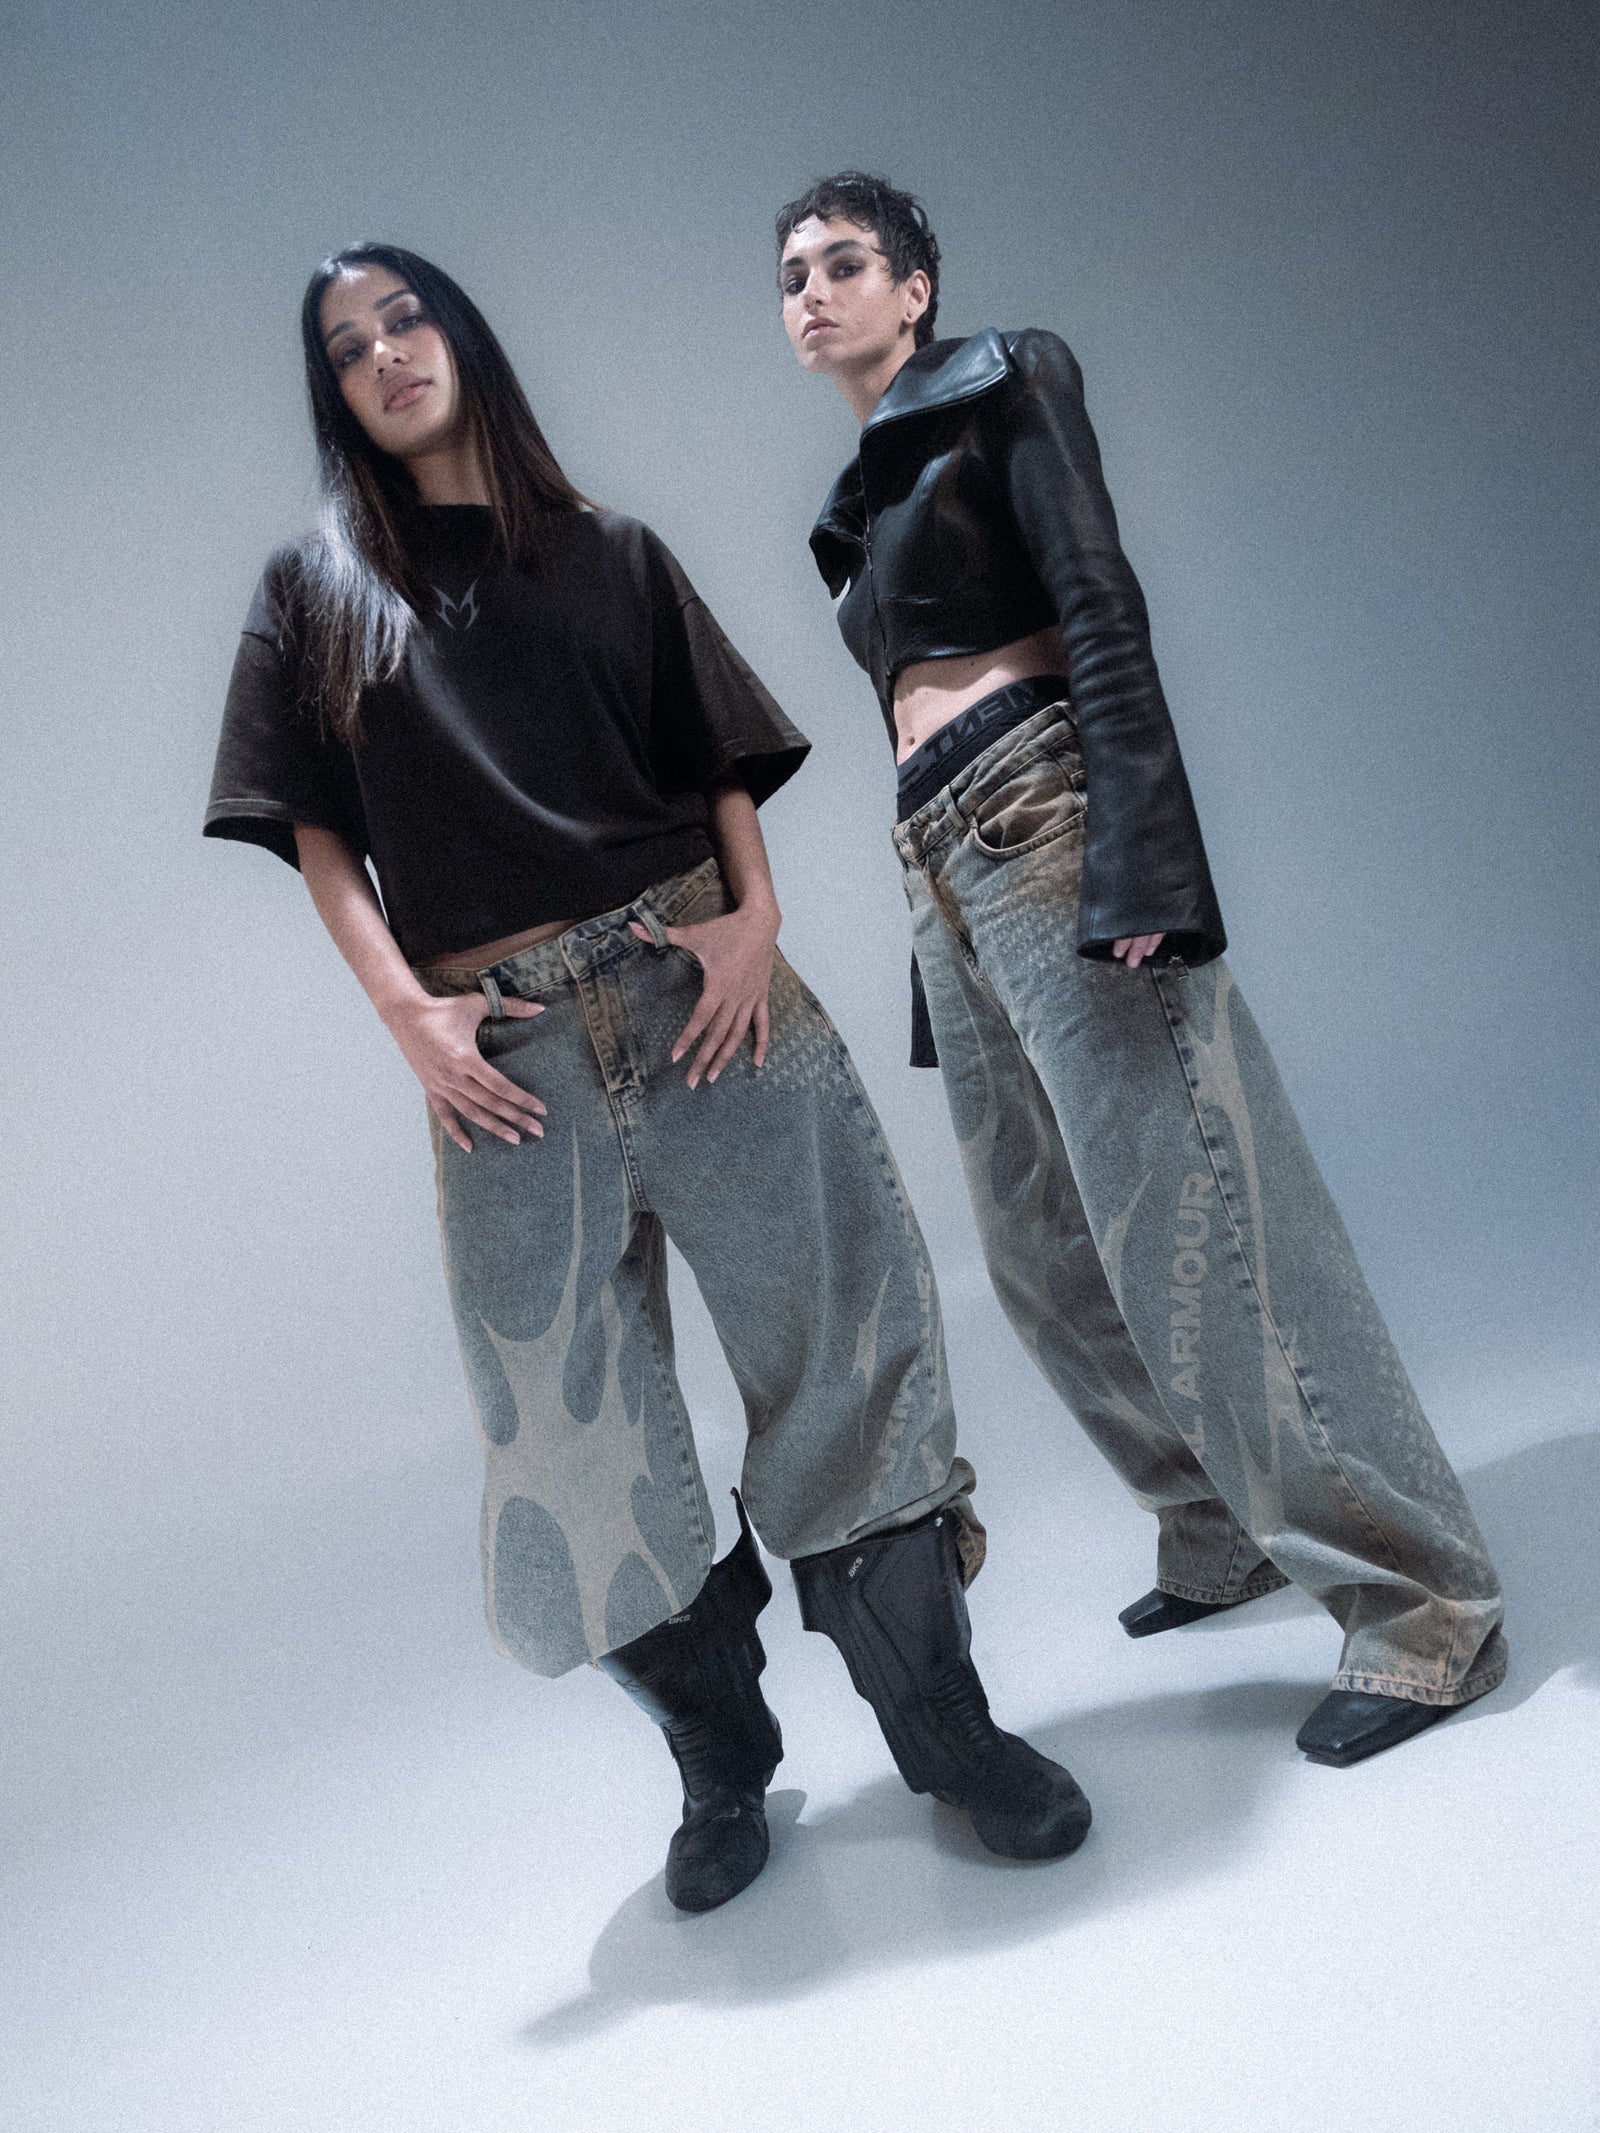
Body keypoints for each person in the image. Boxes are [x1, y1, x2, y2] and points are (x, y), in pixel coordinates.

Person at [204, 241, 1091, 1914]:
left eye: (406, 318)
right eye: (347, 347)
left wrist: (757, 920)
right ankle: (722, 1756)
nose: (386, 354)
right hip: (507, 1060)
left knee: (850, 1353)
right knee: (571, 1445)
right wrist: (406, 1014)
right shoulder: (313, 591)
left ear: (463, 336)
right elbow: (315, 830)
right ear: (333, 395)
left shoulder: (613, 551)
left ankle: (951, 1732)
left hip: (703, 999)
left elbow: (716, 759)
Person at [774, 173, 1506, 1767]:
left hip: (1044, 817)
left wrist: (1147, 862)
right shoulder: (854, 504)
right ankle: (1214, 1522)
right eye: (791, 276)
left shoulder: (1008, 377)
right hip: (941, 864)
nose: (810, 292)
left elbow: (1098, 605)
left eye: (842, 263)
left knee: (1205, 1223)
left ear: (915, 286)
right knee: (1039, 1254)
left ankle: (1423, 1602)